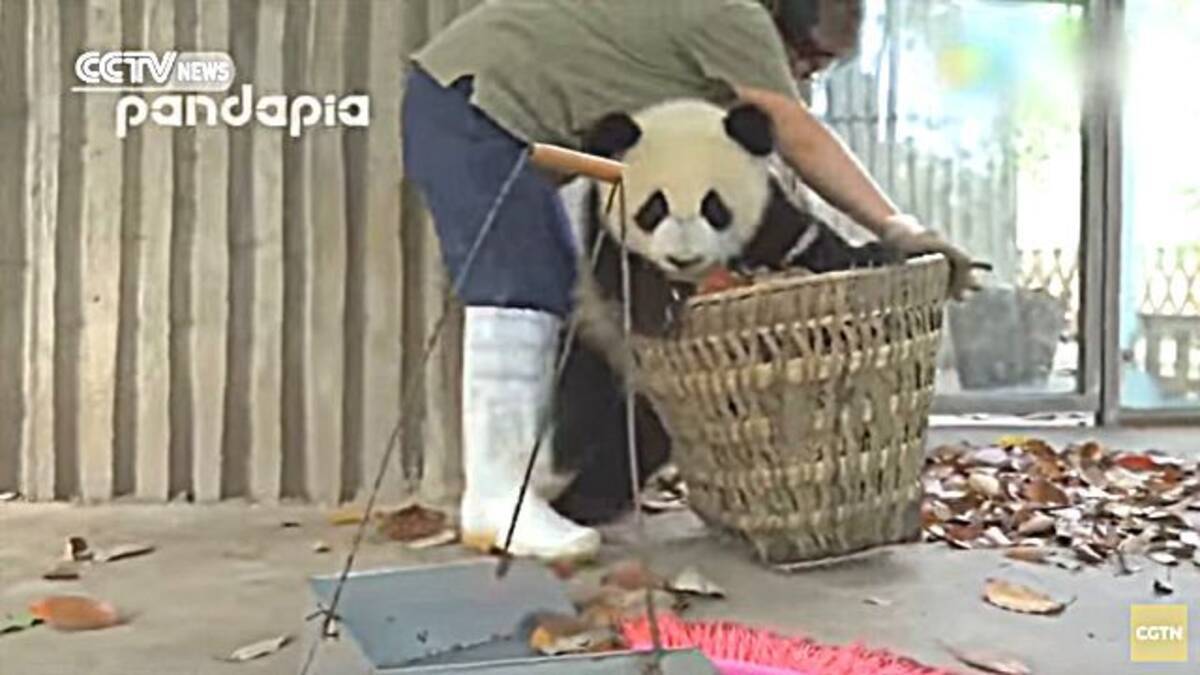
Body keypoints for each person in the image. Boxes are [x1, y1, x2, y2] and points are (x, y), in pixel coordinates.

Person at [401, 0, 981, 562]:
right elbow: (796, 136)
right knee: (521, 279)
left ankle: (522, 489)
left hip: (486, 103)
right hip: (470, 100)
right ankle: (498, 499)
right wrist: (897, 226)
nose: (802, 79)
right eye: (808, 62)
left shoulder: (701, 67)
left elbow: (755, 192)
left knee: (543, 276)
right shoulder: (736, 16)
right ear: (785, 26)